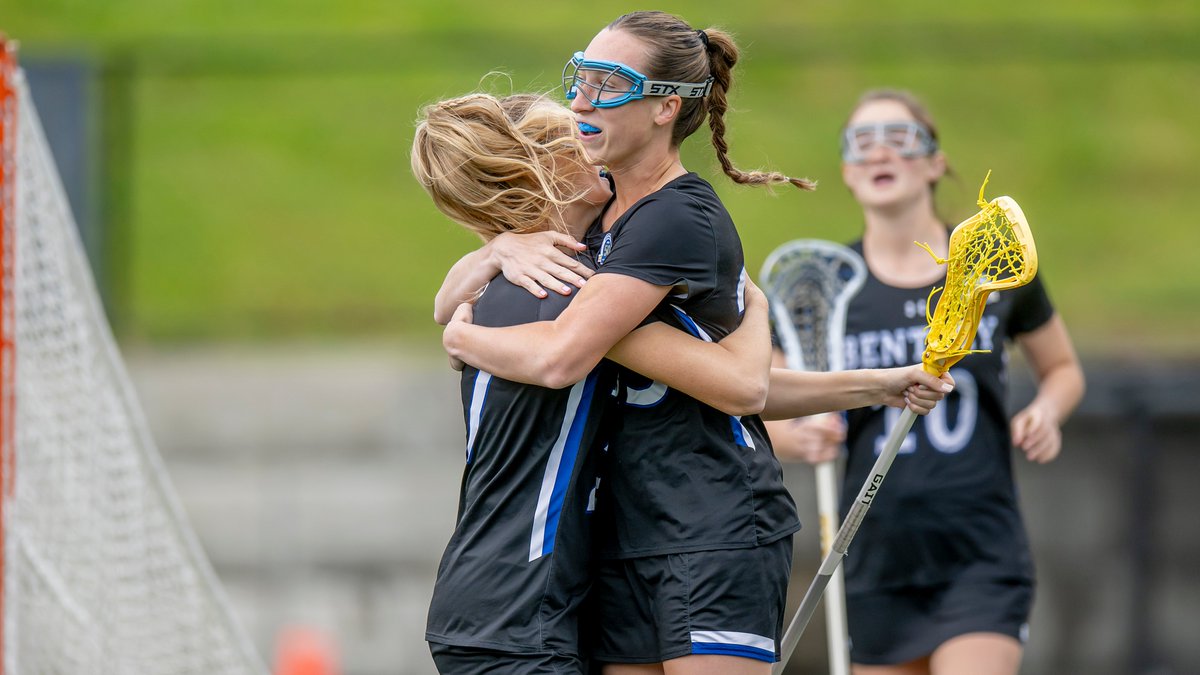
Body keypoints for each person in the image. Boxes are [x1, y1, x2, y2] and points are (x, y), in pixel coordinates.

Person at [439, 13, 952, 675]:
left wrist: (464, 332)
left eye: (608, 84)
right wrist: (498, 249)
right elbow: (710, 376)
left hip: (710, 525)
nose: (581, 101)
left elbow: (735, 386)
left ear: (665, 107)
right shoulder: (598, 214)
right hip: (619, 536)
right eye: (580, 78)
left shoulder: (676, 216)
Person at [413, 91, 783, 675]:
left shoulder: (512, 281)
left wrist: (877, 386)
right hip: (516, 612)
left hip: (506, 603)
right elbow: (739, 384)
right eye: (574, 138)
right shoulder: (570, 296)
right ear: (542, 172)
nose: (596, 143)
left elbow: (701, 385)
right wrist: (756, 307)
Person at [764, 89, 1086, 675]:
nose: (880, 152)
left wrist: (1048, 412)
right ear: (846, 170)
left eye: (901, 138)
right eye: (862, 143)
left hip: (979, 553)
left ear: (936, 162)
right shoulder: (829, 287)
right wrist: (798, 439)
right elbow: (764, 402)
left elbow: (1062, 370)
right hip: (873, 554)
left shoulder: (990, 270)